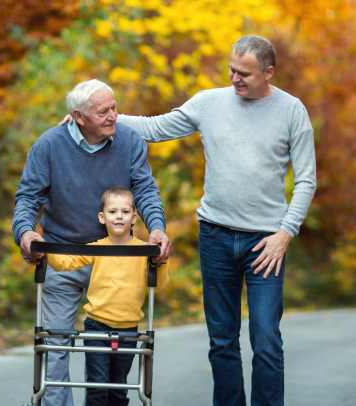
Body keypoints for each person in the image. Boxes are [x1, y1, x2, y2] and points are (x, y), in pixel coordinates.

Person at [117, 35, 317, 406]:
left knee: (266, 339)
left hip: (266, 243)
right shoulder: (209, 103)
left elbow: (307, 179)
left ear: (269, 72)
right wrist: (102, 117)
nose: (235, 78)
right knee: (222, 341)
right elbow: (155, 128)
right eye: (232, 70)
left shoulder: (292, 110)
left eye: (244, 73)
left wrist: (286, 233)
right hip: (216, 236)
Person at [12, 79, 171, 406]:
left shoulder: (129, 141)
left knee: (114, 351)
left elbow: (145, 190)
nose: (115, 115)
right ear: (79, 117)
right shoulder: (49, 145)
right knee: (55, 346)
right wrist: (25, 232)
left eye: (114, 107)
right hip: (64, 254)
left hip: (117, 262)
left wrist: (156, 227)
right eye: (104, 111)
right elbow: (28, 198)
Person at [45, 187, 169, 406]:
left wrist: (160, 260)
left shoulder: (143, 250)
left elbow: (161, 281)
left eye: (124, 211)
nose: (119, 216)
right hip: (97, 326)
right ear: (102, 217)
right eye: (113, 211)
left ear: (134, 217)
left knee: (119, 387)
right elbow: (65, 262)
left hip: (129, 328)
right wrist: (44, 248)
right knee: (98, 386)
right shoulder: (98, 248)